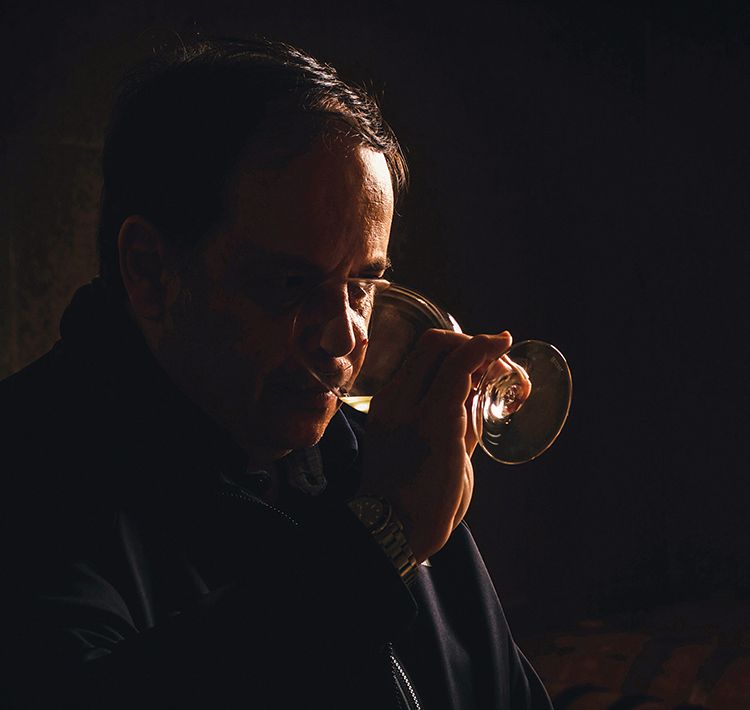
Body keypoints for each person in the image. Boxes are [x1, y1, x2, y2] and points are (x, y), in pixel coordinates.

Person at [0, 36, 552, 709]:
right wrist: (381, 542)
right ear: (149, 271)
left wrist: (388, 525)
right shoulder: (28, 474)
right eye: (291, 284)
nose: (345, 337)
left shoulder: (386, 468)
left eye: (362, 285)